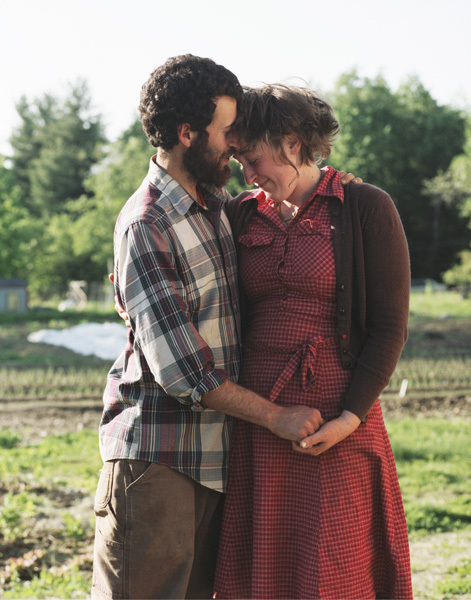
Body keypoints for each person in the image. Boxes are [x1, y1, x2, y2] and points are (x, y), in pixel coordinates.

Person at [92, 56, 340, 600]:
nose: (235, 145)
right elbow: (185, 373)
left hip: (214, 458)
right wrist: (277, 416)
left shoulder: (218, 208)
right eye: (227, 132)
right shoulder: (148, 223)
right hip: (157, 460)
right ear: (188, 134)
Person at [213, 84, 413, 599]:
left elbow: (390, 325)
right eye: (240, 163)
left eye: (254, 160)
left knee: (337, 566)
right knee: (264, 568)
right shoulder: (239, 214)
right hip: (259, 416)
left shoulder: (364, 206)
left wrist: (352, 416)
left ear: (293, 144)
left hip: (338, 417)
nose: (248, 175)